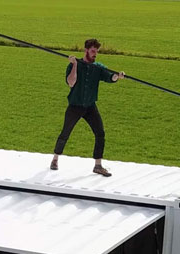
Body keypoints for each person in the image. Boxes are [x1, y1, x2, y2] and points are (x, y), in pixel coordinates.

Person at [49, 39, 125, 177]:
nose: (95, 54)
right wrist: (75, 66)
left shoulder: (98, 67)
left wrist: (117, 76)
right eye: (93, 51)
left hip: (90, 106)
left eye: (96, 51)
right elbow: (71, 83)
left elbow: (109, 77)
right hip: (75, 105)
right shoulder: (74, 64)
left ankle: (98, 165)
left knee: (100, 133)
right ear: (86, 51)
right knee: (66, 132)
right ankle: (55, 159)